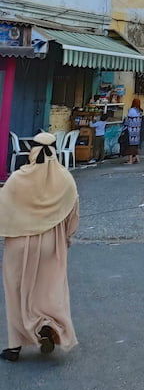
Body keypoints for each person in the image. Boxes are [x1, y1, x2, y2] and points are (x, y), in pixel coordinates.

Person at [0, 132, 79, 362]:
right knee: (48, 288)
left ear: (32, 150)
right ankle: (46, 324)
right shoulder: (65, 179)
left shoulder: (18, 178)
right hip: (50, 243)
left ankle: (15, 346)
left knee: (16, 291)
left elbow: (4, 206)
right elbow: (73, 212)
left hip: (18, 242)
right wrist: (66, 236)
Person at [124, 99, 143, 164]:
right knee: (135, 145)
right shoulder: (140, 111)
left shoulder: (131, 110)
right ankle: (137, 159)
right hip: (137, 130)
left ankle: (130, 160)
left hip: (131, 130)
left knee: (130, 145)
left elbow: (127, 120)